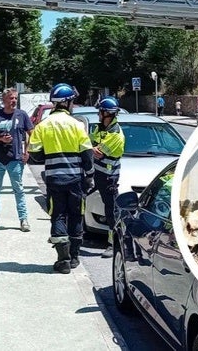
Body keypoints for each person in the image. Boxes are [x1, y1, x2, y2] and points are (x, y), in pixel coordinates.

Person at [28, 83, 94, 274]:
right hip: (75, 180)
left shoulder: (43, 125)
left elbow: (34, 154)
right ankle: (74, 258)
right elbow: (87, 153)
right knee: (76, 215)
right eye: (72, 101)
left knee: (57, 215)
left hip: (54, 180)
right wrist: (89, 176)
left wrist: (50, 156)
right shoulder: (77, 124)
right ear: (66, 102)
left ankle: (62, 260)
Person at [0, 87, 34, 232]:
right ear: (3, 100)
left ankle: (23, 220)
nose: (14, 101)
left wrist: (26, 152)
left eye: (15, 98)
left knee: (19, 190)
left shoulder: (22, 115)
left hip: (15, 159)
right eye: (11, 98)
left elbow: (32, 134)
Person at [90, 96, 125, 258]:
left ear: (107, 113)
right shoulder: (100, 128)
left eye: (100, 111)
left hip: (109, 177)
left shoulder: (115, 134)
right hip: (98, 175)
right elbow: (91, 143)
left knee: (111, 211)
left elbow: (97, 153)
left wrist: (90, 147)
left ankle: (113, 244)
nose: (98, 114)